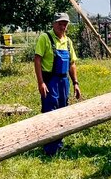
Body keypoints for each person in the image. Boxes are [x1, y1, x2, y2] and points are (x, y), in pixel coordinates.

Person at [33, 12, 81, 156]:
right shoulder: (45, 38)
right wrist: (41, 82)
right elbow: (37, 60)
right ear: (54, 23)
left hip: (63, 81)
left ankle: (59, 144)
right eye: (60, 23)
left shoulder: (68, 41)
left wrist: (76, 83)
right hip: (50, 81)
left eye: (65, 23)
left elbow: (72, 63)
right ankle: (49, 148)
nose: (62, 26)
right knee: (49, 112)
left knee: (63, 111)